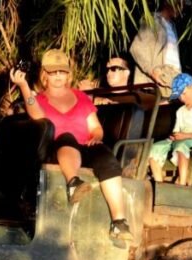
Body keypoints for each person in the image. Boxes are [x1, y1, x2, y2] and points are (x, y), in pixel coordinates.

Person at [10, 49, 133, 241]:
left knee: (106, 156)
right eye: (53, 72)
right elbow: (36, 115)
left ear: (68, 74)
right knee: (67, 137)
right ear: (45, 75)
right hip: (56, 148)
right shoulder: (39, 99)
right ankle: (73, 183)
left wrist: (96, 136)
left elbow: (96, 127)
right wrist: (24, 86)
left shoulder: (81, 97)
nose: (58, 76)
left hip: (84, 146)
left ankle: (119, 221)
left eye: (62, 71)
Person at [148, 73, 192, 186]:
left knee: (181, 146)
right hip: (182, 138)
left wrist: (184, 136)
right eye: (179, 96)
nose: (182, 98)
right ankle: (159, 184)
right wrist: (174, 136)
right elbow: (177, 131)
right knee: (154, 148)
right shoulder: (180, 111)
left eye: (183, 94)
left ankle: (182, 184)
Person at [130, 0, 183, 98]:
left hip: (170, 84)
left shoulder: (172, 26)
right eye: (180, 3)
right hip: (152, 87)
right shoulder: (154, 21)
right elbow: (136, 48)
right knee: (145, 112)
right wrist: (151, 71)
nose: (182, 7)